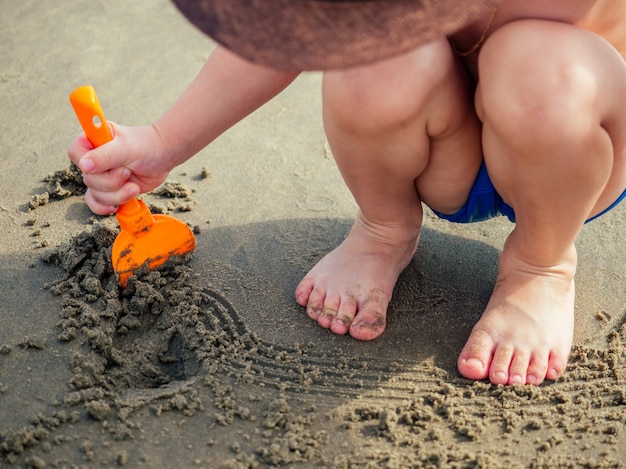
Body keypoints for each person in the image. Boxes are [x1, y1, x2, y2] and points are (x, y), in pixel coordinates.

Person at [68, 0, 626, 386]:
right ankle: (384, 227)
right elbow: (286, 33)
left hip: (572, 152)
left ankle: (540, 263)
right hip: (445, 152)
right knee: (373, 55)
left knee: (538, 64)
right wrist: (161, 143)